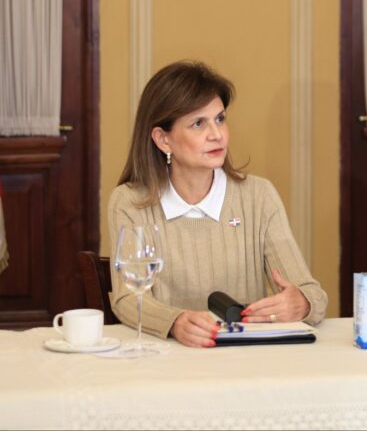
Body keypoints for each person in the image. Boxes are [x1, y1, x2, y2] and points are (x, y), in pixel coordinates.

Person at [108, 61, 327, 347]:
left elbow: (313, 294)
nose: (217, 134)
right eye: (199, 123)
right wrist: (175, 322)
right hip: (166, 365)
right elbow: (126, 298)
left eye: (220, 119)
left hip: (246, 361)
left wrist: (301, 303)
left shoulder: (258, 196)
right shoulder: (130, 201)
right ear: (163, 140)